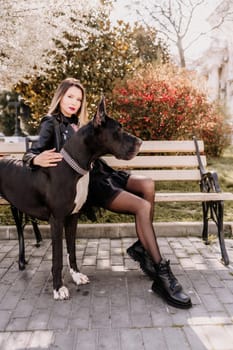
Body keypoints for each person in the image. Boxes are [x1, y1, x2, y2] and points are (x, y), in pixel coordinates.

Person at [23, 77, 192, 309]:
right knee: (142, 206)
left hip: (103, 172)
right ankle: (161, 271)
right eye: (70, 96)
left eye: (79, 99)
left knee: (148, 185)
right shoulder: (51, 123)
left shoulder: (83, 124)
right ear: (60, 96)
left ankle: (143, 248)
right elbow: (31, 154)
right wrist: (36, 157)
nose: (74, 102)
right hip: (86, 185)